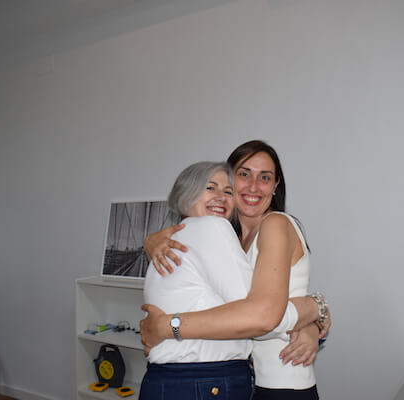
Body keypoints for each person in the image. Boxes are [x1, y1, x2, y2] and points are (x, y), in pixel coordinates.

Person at [141, 140, 329, 400]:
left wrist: (316, 309)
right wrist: (312, 312)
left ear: (275, 186)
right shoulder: (228, 239)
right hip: (246, 379)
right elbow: (243, 313)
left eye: (265, 177)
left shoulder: (274, 223)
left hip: (281, 383)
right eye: (244, 174)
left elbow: (261, 315)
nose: (253, 186)